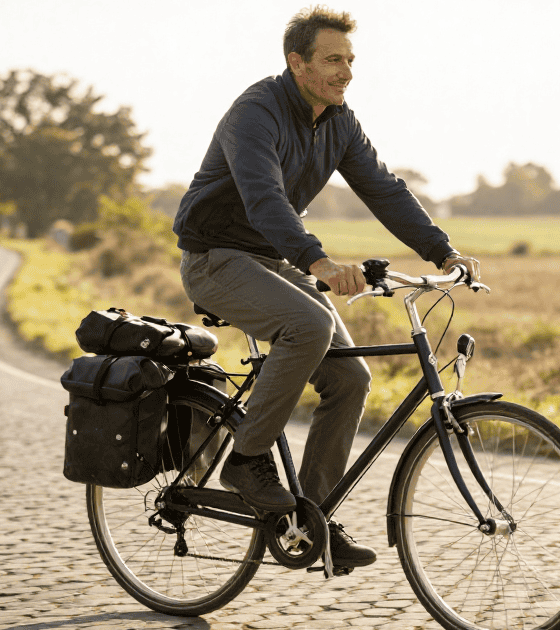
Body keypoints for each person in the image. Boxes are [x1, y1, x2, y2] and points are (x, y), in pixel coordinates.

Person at [173, 6, 480, 569]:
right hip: (214, 257)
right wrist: (318, 262)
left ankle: (306, 516)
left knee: (350, 377)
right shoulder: (255, 113)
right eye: (333, 60)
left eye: (350, 60)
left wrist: (444, 252)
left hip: (270, 259)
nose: (347, 72)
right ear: (298, 62)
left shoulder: (339, 121)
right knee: (309, 324)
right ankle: (245, 460)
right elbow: (264, 198)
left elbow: (384, 189)